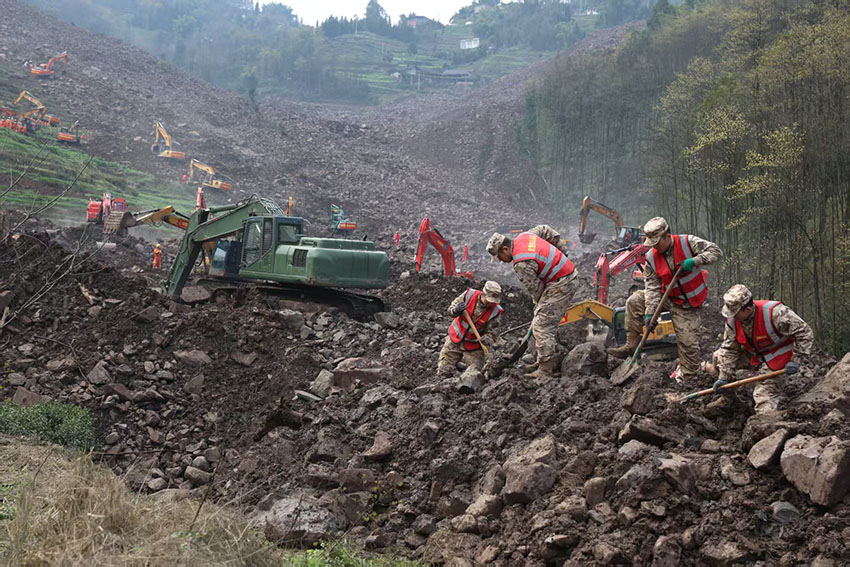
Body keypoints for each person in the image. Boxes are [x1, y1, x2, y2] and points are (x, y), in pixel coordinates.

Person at [607, 217, 722, 383]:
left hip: (687, 304)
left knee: (688, 346)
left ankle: (690, 377)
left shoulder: (688, 242)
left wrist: (695, 260)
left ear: (667, 236)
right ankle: (632, 344)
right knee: (634, 300)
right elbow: (652, 288)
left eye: (656, 242)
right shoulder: (651, 258)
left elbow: (716, 251)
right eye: (651, 243)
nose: (654, 246)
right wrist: (649, 314)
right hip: (667, 296)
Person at [703, 284, 814, 414]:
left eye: (735, 313)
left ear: (748, 309)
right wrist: (724, 378)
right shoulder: (733, 321)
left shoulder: (776, 313)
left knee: (763, 395)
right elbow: (730, 349)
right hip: (756, 354)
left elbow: (804, 332)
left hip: (779, 357)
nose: (732, 316)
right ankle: (729, 400)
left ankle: (768, 424)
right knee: (719, 356)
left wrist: (796, 359)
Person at [487, 225, 575, 381]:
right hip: (565, 273)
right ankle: (541, 359)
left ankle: (546, 370)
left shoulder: (521, 264)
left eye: (500, 257)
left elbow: (537, 290)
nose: (501, 261)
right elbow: (545, 229)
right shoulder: (525, 236)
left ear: (505, 249)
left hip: (561, 283)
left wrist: (539, 307)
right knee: (540, 319)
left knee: (542, 325)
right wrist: (561, 251)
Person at [437, 281, 504, 378]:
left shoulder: (495, 312)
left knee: (474, 376)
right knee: (443, 371)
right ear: (483, 294)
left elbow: (492, 333)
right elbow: (450, 310)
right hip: (455, 339)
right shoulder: (468, 295)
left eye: (493, 302)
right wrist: (455, 310)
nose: (490, 304)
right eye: (489, 301)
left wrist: (487, 340)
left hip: (473, 347)